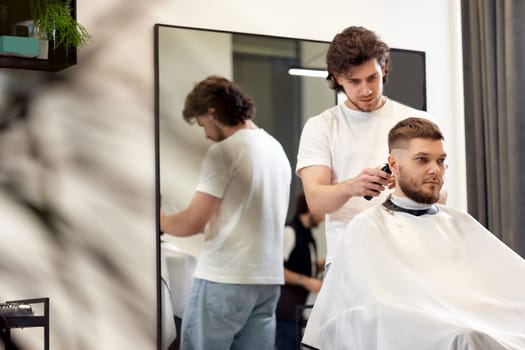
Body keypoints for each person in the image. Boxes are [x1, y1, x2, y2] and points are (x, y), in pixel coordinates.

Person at [302, 117, 525, 349]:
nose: (434, 170)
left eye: (440, 161)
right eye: (422, 160)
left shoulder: (458, 222)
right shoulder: (367, 227)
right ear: (393, 165)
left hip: (473, 321)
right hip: (430, 331)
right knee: (467, 337)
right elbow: (373, 310)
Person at [296, 26, 443, 272]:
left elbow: (442, 196)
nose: (366, 90)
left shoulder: (417, 121)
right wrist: (352, 187)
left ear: (383, 68)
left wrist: (409, 183)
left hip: (411, 255)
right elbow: (316, 203)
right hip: (350, 258)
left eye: (372, 78)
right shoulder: (321, 127)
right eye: (354, 81)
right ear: (337, 77)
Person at [160, 75, 292, 350]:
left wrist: (157, 220)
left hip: (226, 278)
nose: (206, 134)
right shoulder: (275, 148)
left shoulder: (225, 151)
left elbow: (192, 223)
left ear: (211, 110)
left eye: (202, 125)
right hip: (267, 281)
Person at [275, 191, 324, 350]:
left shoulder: (308, 236)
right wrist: (306, 281)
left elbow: (304, 264)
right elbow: (277, 269)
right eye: (322, 210)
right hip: (284, 311)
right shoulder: (290, 231)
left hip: (297, 312)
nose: (324, 217)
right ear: (311, 207)